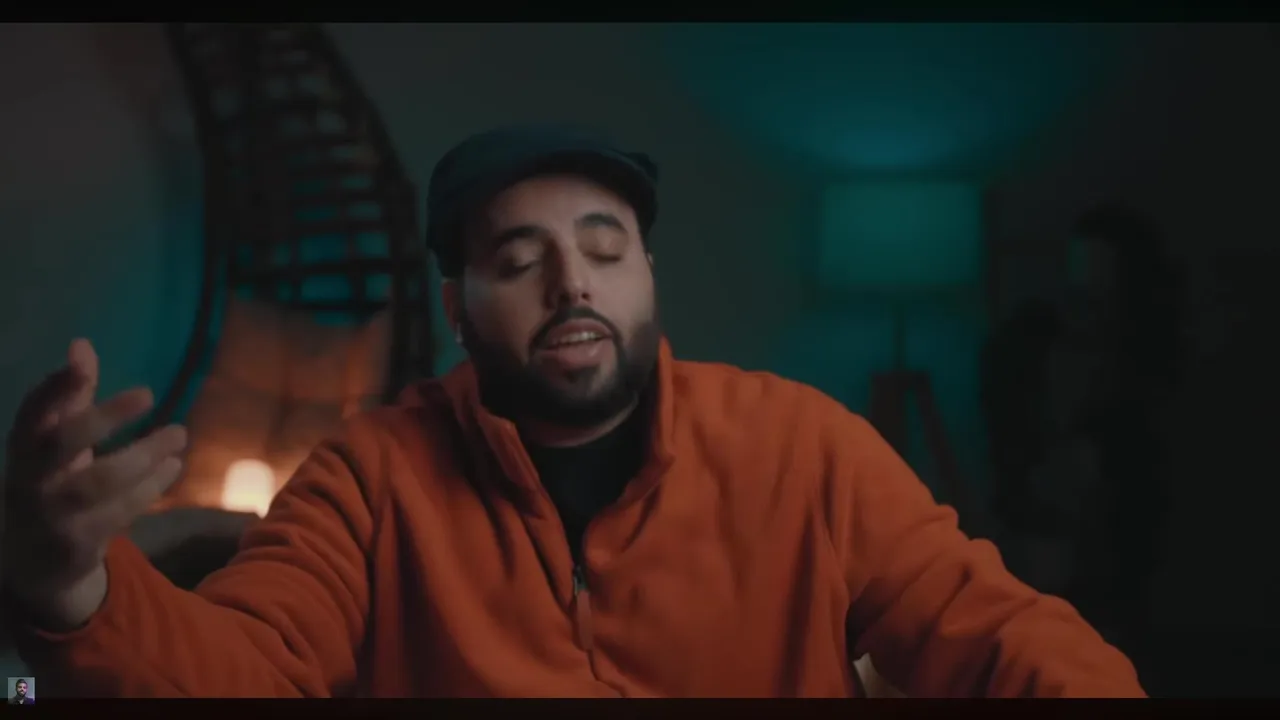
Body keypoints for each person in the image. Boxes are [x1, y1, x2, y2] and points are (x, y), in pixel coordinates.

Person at [0, 125, 1145, 698]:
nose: (571, 284)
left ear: (647, 277)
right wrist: (74, 591)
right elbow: (249, 666)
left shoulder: (802, 446)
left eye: (605, 250)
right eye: (519, 260)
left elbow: (994, 636)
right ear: (458, 309)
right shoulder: (368, 477)